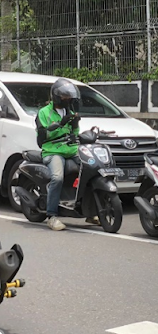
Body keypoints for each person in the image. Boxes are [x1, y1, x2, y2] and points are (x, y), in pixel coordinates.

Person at [35, 78, 83, 231]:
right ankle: (51, 216)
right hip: (53, 151)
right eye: (65, 97)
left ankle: (90, 210)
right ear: (56, 96)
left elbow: (75, 132)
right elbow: (44, 137)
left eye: (69, 97)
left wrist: (74, 124)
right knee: (57, 177)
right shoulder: (43, 113)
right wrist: (61, 124)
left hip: (71, 149)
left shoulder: (70, 111)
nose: (68, 99)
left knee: (92, 168)